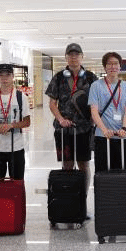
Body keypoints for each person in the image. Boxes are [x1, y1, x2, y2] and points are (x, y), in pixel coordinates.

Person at [46, 42, 99, 183]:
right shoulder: (58, 78)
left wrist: (94, 120)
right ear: (66, 57)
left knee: (84, 164)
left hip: (84, 129)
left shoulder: (91, 78)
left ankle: (83, 192)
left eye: (77, 54)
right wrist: (61, 119)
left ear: (82, 57)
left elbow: (97, 103)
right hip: (63, 130)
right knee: (67, 164)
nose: (73, 57)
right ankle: (69, 192)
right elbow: (52, 103)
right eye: (70, 55)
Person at [0, 64, 31, 181]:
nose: (4, 78)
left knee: (17, 184)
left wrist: (11, 125)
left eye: (7, 75)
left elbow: (27, 121)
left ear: (13, 76)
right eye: (1, 75)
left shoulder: (21, 97)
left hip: (16, 147)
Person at [89, 51, 126, 172]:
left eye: (116, 63)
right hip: (102, 136)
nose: (113, 66)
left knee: (125, 171)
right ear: (105, 67)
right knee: (102, 171)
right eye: (109, 64)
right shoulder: (96, 86)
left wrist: (124, 128)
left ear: (120, 66)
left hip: (123, 136)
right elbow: (94, 111)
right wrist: (104, 130)